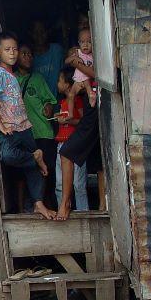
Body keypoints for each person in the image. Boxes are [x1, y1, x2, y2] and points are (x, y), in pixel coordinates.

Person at [0, 31, 54, 220]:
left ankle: (38, 203)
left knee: (34, 170)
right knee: (8, 156)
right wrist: (0, 123)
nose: (13, 53)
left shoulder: (13, 75)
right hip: (10, 128)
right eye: (7, 50)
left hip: (25, 126)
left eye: (15, 49)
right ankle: (35, 157)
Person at [16, 43, 58, 210]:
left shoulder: (38, 78)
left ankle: (45, 205)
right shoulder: (12, 80)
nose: (28, 57)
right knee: (23, 173)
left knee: (46, 171)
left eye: (30, 54)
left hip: (43, 132)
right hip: (24, 134)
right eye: (24, 53)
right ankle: (21, 209)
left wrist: (48, 106)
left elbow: (49, 101)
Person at [57, 84, 98, 221]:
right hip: (64, 139)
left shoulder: (81, 98)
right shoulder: (68, 99)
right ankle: (65, 204)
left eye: (60, 80)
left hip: (93, 110)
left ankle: (74, 207)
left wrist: (75, 62)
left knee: (79, 183)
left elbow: (79, 119)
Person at [54, 69, 88, 211]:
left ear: (68, 84)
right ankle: (63, 207)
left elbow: (82, 121)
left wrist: (69, 120)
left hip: (76, 144)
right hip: (61, 144)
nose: (57, 84)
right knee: (60, 183)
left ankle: (83, 212)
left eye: (59, 80)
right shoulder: (62, 102)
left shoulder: (78, 101)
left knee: (78, 183)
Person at [30, 20, 63, 99]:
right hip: (39, 106)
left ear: (47, 32)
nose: (39, 35)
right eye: (36, 32)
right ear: (31, 34)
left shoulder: (57, 50)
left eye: (42, 31)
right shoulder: (29, 57)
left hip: (59, 101)